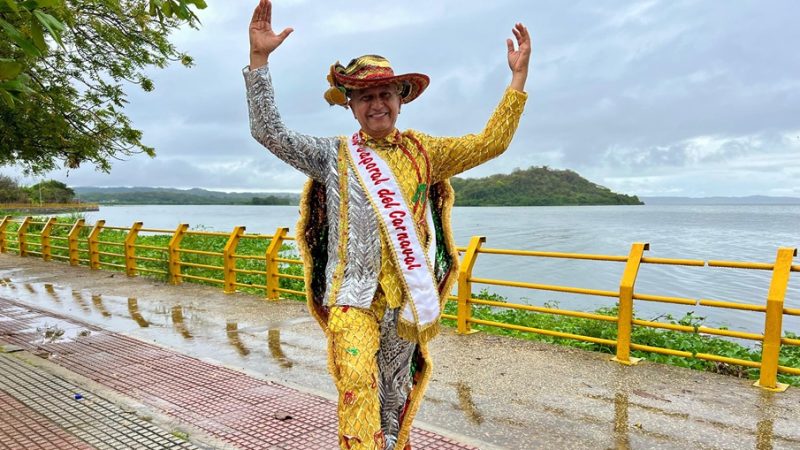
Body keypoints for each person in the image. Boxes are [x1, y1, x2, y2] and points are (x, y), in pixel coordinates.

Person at [244, 1, 531, 448]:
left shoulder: (425, 152)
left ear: (400, 99)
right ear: (351, 105)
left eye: (385, 94)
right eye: (365, 96)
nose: (377, 104)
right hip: (351, 296)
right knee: (357, 381)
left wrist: (517, 79)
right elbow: (270, 133)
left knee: (395, 393)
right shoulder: (332, 156)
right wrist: (259, 60)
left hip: (405, 299)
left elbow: (490, 143)